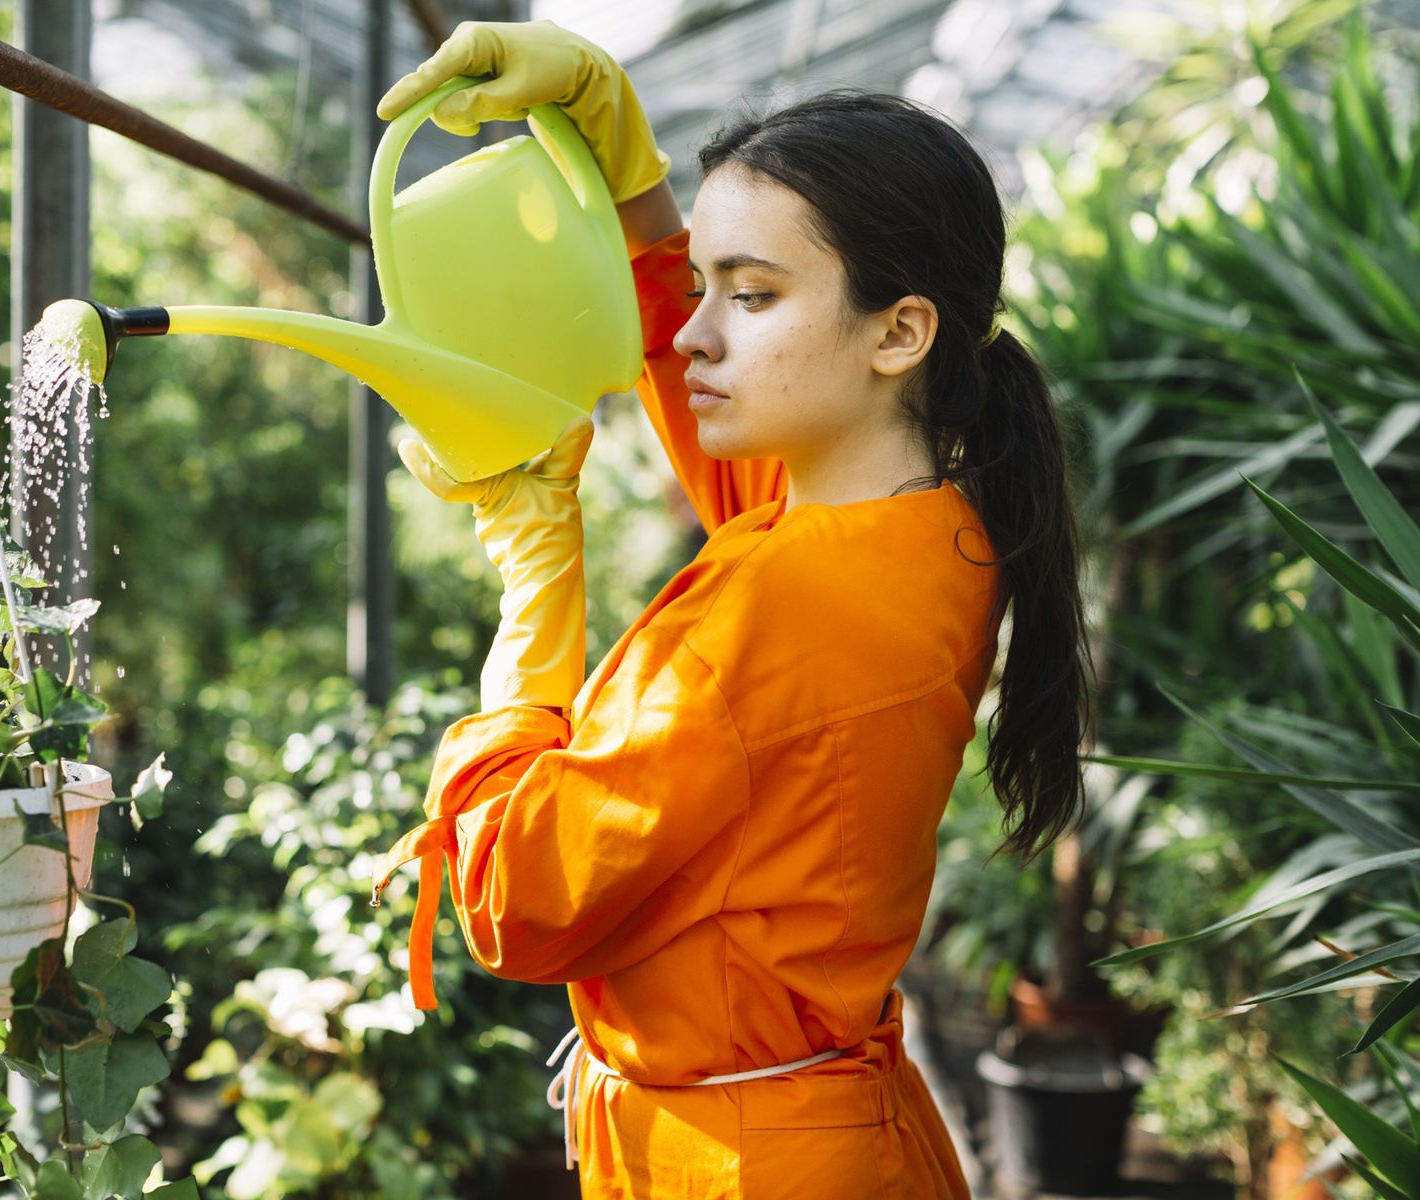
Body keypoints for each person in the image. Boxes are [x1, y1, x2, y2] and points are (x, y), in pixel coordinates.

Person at [369, 19, 1094, 1198]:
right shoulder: (931, 526)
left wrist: (532, 575)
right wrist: (623, 157)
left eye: (750, 296)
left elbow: (515, 896)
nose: (696, 332)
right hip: (825, 1129)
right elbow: (702, 385)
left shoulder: (777, 599)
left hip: (741, 1166)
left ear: (899, 332)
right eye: (703, 283)